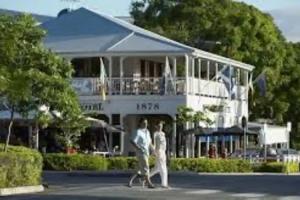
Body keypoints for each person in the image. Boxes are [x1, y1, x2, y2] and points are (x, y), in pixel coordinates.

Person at [128, 118, 155, 188]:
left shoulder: (147, 132)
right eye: (143, 123)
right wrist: (138, 148)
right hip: (141, 153)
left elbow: (149, 143)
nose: (145, 124)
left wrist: (153, 150)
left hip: (147, 152)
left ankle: (130, 181)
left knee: (139, 169)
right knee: (146, 167)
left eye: (146, 123)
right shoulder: (138, 131)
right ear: (140, 123)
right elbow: (132, 141)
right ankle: (149, 183)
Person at [149, 121, 169, 188]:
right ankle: (164, 184)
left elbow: (164, 144)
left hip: (163, 152)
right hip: (158, 151)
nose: (160, 127)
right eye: (159, 126)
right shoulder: (155, 134)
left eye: (161, 126)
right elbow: (154, 143)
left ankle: (145, 178)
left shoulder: (163, 133)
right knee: (163, 168)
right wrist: (154, 152)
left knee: (157, 168)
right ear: (156, 126)